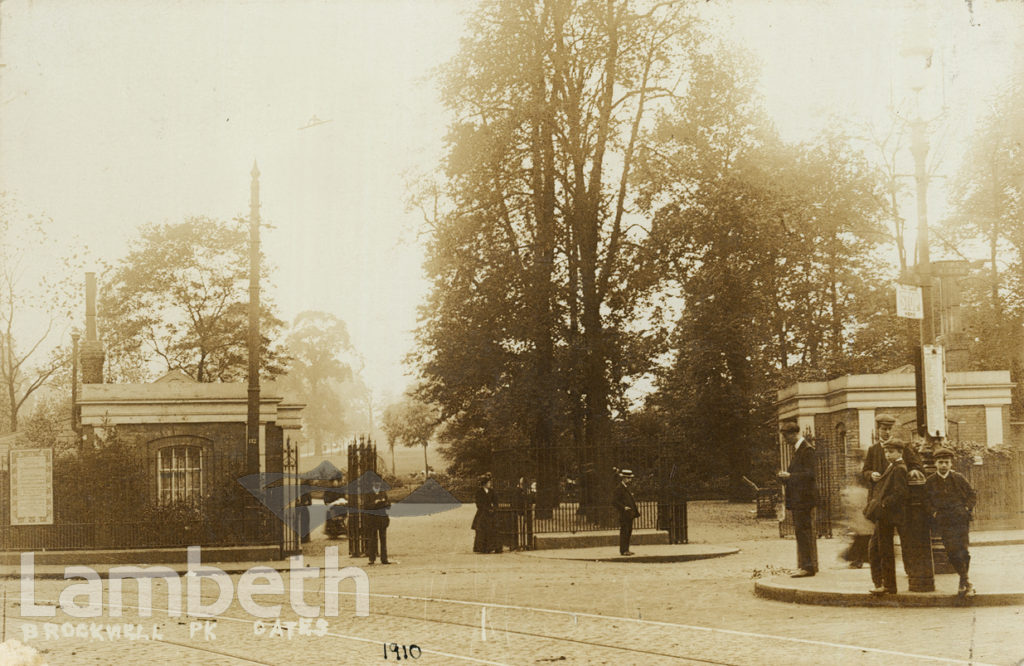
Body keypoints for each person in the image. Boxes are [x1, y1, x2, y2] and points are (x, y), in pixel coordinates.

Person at [862, 412, 924, 579]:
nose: (887, 432)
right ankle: (884, 576)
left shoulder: (901, 447)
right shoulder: (873, 450)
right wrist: (870, 475)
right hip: (882, 504)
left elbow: (916, 465)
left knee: (906, 538)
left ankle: (911, 572)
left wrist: (913, 471)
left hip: (899, 503)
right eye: (884, 429)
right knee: (881, 542)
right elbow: (865, 471)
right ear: (878, 430)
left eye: (889, 429)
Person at [926, 447, 977, 597]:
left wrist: (966, 508)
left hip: (960, 520)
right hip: (944, 521)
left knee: (964, 550)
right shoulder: (930, 481)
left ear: (950, 464)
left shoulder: (958, 478)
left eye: (946, 462)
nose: (943, 465)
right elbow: (926, 500)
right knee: (952, 551)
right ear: (935, 463)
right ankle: (965, 580)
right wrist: (934, 512)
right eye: (940, 462)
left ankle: (964, 580)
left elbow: (971, 495)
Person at [867, 439, 909, 595]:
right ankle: (883, 583)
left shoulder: (899, 468)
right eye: (886, 451)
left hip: (888, 515)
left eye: (891, 451)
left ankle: (889, 585)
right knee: (878, 548)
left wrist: (884, 504)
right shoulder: (892, 466)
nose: (887, 454)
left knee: (885, 550)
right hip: (885, 515)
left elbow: (901, 493)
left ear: (900, 452)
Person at [777, 421, 818, 577]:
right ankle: (805, 565)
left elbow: (810, 475)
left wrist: (790, 476)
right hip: (799, 499)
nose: (785, 440)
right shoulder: (799, 450)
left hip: (804, 499)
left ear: (793, 434)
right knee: (801, 532)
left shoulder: (807, 450)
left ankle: (807, 567)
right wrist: (786, 478)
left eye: (786, 436)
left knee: (804, 532)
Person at [611, 468, 638, 556]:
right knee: (625, 531)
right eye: (628, 478)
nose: (630, 480)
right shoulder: (619, 488)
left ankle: (626, 549)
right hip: (624, 514)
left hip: (629, 514)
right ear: (624, 478)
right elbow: (614, 501)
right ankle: (623, 550)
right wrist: (623, 507)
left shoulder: (626, 487)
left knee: (628, 531)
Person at [365, 479, 391, 565]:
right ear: (373, 483)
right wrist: (375, 503)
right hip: (372, 520)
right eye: (376, 482)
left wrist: (383, 503)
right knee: (372, 539)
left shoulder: (383, 492)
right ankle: (372, 558)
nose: (378, 484)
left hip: (382, 519)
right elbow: (366, 506)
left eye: (379, 483)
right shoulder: (368, 494)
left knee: (383, 539)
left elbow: (388, 505)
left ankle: (384, 559)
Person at [472, 474, 499, 553]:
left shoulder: (492, 491)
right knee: (481, 530)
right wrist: (486, 509)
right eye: (488, 482)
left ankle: (491, 547)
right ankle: (481, 548)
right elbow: (478, 504)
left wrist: (493, 508)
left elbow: (496, 501)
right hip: (482, 513)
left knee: (492, 530)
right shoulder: (479, 492)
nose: (490, 484)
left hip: (490, 513)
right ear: (484, 483)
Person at [512, 477, 534, 551]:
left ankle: (527, 544)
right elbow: (516, 501)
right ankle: (519, 544)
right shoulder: (517, 491)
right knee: (519, 528)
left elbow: (531, 499)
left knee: (526, 528)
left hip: (526, 511)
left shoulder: (527, 491)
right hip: (520, 511)